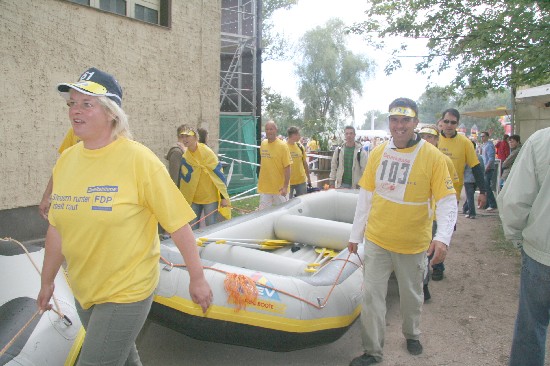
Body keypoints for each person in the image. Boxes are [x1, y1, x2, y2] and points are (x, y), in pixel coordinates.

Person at [36, 67, 212, 366]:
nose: (75, 111)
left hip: (127, 289)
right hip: (85, 288)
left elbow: (179, 224)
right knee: (123, 358)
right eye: (72, 104)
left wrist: (197, 277)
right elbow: (57, 229)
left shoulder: (139, 160)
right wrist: (47, 281)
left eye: (86, 104)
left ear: (111, 113)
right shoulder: (66, 161)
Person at [348, 98, 457, 366]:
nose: (399, 125)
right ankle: (372, 351)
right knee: (372, 297)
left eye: (405, 120)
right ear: (389, 122)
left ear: (415, 122)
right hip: (377, 239)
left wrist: (442, 237)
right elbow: (366, 196)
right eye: (395, 120)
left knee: (412, 296)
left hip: (412, 244)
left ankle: (412, 333)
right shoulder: (377, 153)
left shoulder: (433, 157)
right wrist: (355, 234)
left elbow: (446, 200)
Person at [497, 127, 550, 366]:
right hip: (541, 253)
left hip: (542, 255)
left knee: (531, 327)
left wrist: (518, 237)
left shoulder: (542, 140)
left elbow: (513, 201)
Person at [435, 110, 488, 281]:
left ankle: (437, 265)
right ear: (441, 122)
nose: (449, 125)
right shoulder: (433, 139)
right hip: (429, 196)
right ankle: (426, 266)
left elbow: (476, 167)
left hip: (450, 196)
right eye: (446, 121)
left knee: (443, 232)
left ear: (457, 124)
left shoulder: (465, 143)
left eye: (453, 122)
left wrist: (483, 191)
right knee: (428, 231)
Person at [418, 124, 459, 300]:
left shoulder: (445, 161)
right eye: (423, 136)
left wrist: (449, 221)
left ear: (436, 140)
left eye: (430, 137)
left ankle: (424, 286)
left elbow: (452, 191)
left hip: (434, 217)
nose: (426, 140)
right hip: (418, 215)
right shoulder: (414, 159)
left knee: (426, 253)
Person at [178, 125, 230, 227]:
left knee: (211, 227)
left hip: (210, 198)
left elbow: (219, 175)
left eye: (187, 136)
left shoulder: (207, 152)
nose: (184, 139)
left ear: (195, 137)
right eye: (182, 137)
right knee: (193, 227)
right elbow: (185, 179)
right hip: (193, 198)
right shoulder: (186, 156)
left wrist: (223, 197)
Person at [38, 127, 80, 219]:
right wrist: (46, 196)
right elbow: (61, 166)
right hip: (75, 199)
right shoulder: (75, 131)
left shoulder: (117, 134)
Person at [257, 120, 292, 209]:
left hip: (280, 189)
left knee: (282, 213)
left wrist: (285, 186)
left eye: (271, 129)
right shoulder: (263, 143)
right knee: (262, 215)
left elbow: (287, 167)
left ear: (276, 130)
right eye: (267, 129)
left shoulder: (283, 146)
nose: (269, 131)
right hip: (265, 188)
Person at [287, 126, 312, 198]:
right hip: (288, 182)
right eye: (299, 134)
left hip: (301, 181)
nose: (300, 136)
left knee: (302, 203)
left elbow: (305, 163)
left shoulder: (300, 146)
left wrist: (309, 178)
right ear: (294, 135)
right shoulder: (284, 147)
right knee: (287, 205)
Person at [462, 140, 484, 219]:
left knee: (469, 197)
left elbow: (462, 168)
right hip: (476, 180)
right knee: (470, 196)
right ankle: (465, 209)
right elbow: (481, 168)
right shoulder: (479, 157)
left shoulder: (466, 156)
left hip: (468, 179)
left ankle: (472, 213)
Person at [480, 131, 497, 211]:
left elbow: (491, 159)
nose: (482, 138)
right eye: (481, 136)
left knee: (487, 187)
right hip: (485, 168)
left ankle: (492, 204)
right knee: (485, 187)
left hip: (488, 169)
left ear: (487, 137)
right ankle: (487, 204)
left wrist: (486, 168)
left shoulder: (489, 146)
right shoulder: (484, 145)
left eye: (483, 136)